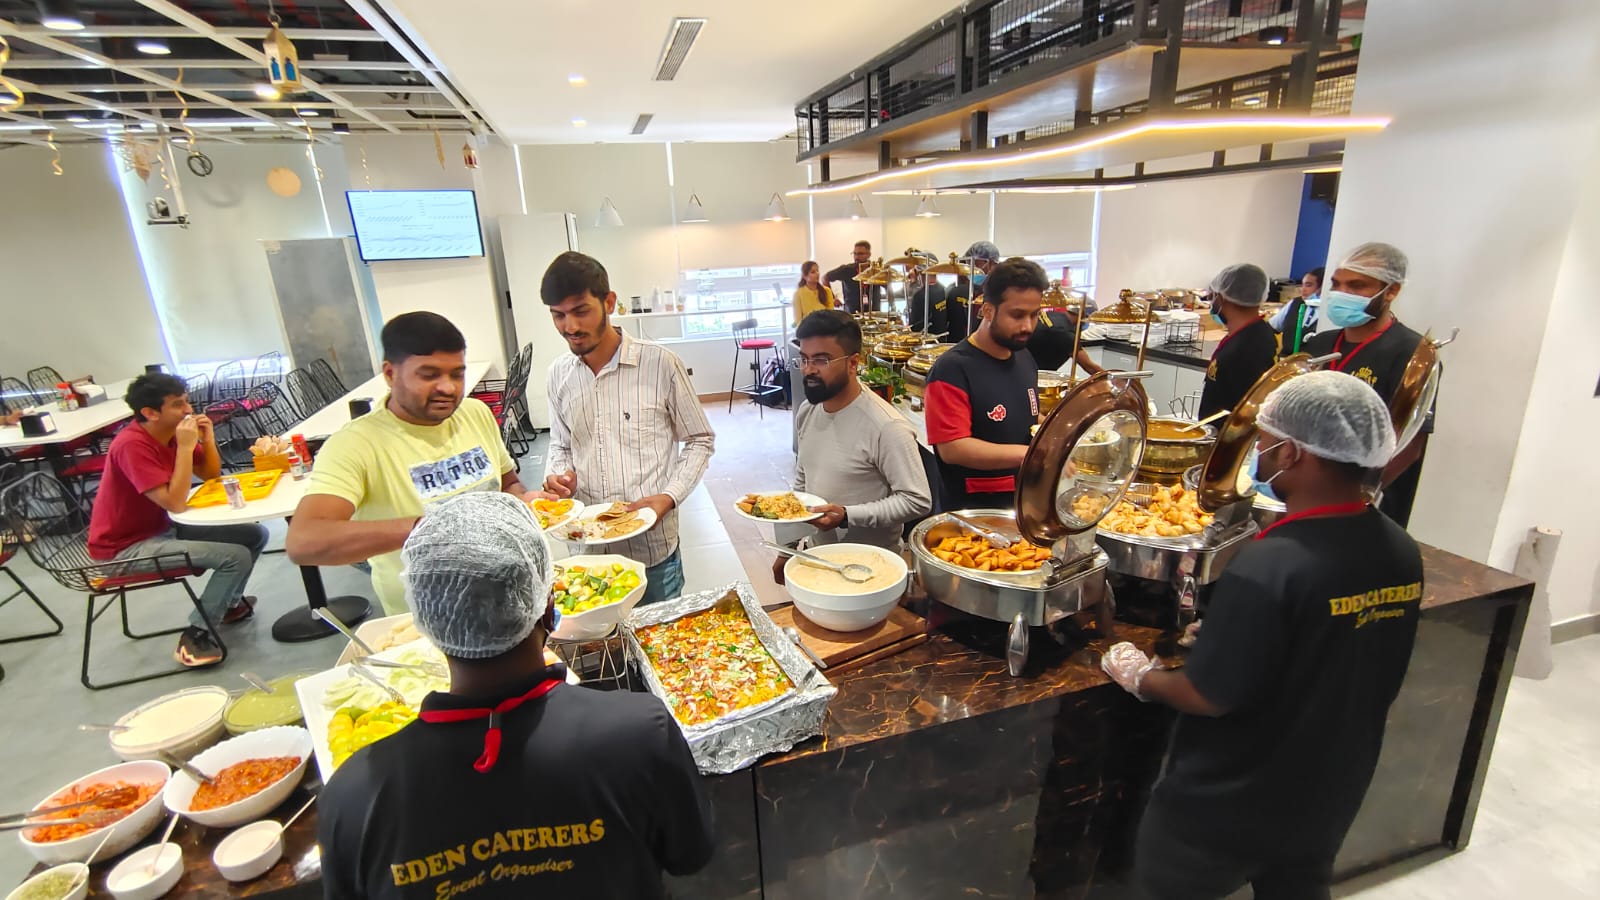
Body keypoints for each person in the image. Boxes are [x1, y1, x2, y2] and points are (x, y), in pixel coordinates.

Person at [1102, 371, 1420, 900]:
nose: (1260, 453)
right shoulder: (1400, 549)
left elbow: (1206, 695)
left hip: (1227, 803)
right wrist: (1240, 632)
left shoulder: (1271, 564)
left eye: (1266, 441)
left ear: (1292, 453)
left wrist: (1141, 675)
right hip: (1329, 792)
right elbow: (1343, 644)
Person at [318, 492, 714, 900]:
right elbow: (689, 855)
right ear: (549, 605)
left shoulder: (354, 795)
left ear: (428, 618)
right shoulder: (641, 732)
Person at [285, 312, 543, 616]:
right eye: (429, 375)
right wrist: (430, 528)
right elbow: (304, 541)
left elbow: (508, 484)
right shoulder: (356, 444)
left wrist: (525, 501)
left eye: (456, 374)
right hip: (429, 614)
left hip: (506, 593)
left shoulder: (475, 414)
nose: (448, 388)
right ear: (390, 374)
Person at [540, 251, 715, 606]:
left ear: (609, 302)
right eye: (558, 315)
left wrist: (669, 496)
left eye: (580, 311)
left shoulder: (660, 364)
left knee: (659, 633)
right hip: (588, 550)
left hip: (652, 552)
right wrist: (558, 476)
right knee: (603, 637)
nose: (569, 327)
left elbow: (700, 439)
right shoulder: (559, 374)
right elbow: (560, 444)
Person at [86, 373, 265, 668]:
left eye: (187, 401)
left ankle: (227, 606)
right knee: (235, 557)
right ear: (150, 413)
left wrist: (207, 439)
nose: (188, 410)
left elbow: (210, 475)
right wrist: (184, 448)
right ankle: (195, 636)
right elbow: (175, 502)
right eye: (178, 404)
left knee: (254, 535)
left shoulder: (171, 434)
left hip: (161, 528)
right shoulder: (132, 445)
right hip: (123, 549)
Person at [771, 311, 931, 583]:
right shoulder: (808, 411)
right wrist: (787, 548)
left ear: (853, 363)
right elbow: (802, 483)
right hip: (818, 561)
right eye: (804, 359)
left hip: (873, 570)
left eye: (821, 360)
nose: (808, 369)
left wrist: (847, 516)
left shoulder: (886, 426)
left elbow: (917, 500)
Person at [1302, 242, 1433, 527]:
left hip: (1367, 501)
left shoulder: (1412, 354)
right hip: (1310, 490)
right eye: (1336, 284)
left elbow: (1411, 444)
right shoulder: (1322, 344)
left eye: (1357, 285)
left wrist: (1359, 493)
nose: (1341, 293)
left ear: (1391, 291)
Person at [924, 257, 1045, 512]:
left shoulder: (1024, 357)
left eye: (1034, 315)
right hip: (973, 514)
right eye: (1017, 315)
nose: (1027, 326)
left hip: (1023, 504)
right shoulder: (952, 369)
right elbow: (953, 448)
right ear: (988, 311)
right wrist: (1029, 455)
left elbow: (1026, 415)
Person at [1198, 263, 1278, 420]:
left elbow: (1245, 412)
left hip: (1228, 432)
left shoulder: (1249, 346)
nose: (1212, 301)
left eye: (1213, 296)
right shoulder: (1248, 333)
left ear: (1222, 298)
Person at [944, 240, 1003, 343]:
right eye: (969, 264)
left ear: (991, 264)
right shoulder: (958, 291)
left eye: (976, 264)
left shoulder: (999, 293)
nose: (972, 268)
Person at [1270, 266, 1323, 357]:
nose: (1303, 289)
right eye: (1302, 285)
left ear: (1321, 287)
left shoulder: (1326, 311)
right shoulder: (1295, 303)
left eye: (1308, 285)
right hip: (1286, 359)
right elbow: (1271, 328)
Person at [824, 240, 883, 314]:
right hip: (852, 314)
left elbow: (888, 285)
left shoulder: (876, 270)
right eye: (855, 253)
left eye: (860, 254)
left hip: (874, 313)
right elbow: (825, 278)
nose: (856, 257)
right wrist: (833, 298)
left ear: (869, 254)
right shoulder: (846, 269)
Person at [904, 251, 948, 336]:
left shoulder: (920, 296)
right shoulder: (942, 289)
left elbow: (914, 329)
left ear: (918, 272)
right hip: (941, 338)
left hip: (926, 341)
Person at [791, 261, 837, 325]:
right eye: (813, 272)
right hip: (807, 328)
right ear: (805, 276)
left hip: (825, 327)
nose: (817, 274)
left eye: (817, 270)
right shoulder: (798, 294)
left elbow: (831, 314)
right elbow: (798, 320)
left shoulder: (827, 291)